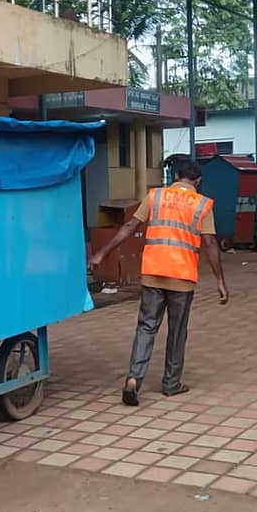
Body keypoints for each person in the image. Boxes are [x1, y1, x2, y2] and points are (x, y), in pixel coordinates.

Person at [88, 159, 228, 407]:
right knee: (177, 331)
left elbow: (130, 225)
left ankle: (134, 379)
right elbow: (210, 243)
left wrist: (101, 253)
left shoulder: (156, 196)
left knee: (146, 327)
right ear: (197, 181)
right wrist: (220, 280)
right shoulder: (203, 204)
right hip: (182, 278)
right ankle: (171, 384)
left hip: (153, 273)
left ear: (175, 176)